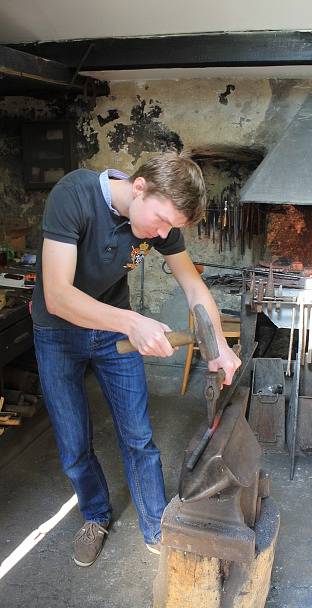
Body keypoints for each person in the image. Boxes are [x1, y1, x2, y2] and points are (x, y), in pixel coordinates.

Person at [31, 152, 241, 567]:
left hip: (114, 330)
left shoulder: (160, 221)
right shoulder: (73, 195)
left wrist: (218, 344)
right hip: (57, 332)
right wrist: (131, 323)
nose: (162, 234)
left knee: (138, 438)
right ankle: (94, 516)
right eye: (160, 220)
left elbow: (194, 286)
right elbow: (57, 296)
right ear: (139, 186)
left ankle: (155, 524)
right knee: (73, 444)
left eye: (170, 228)